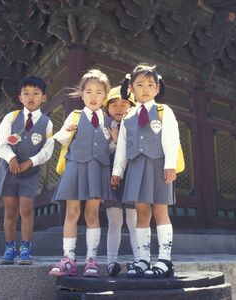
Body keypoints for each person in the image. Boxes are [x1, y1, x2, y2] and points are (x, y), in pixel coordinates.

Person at [111, 64, 180, 278]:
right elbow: (122, 147)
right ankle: (142, 259)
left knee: (160, 211)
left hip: (158, 165)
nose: (145, 89)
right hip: (136, 168)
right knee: (142, 212)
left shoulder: (163, 111)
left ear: (157, 88)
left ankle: (165, 259)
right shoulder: (128, 116)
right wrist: (117, 171)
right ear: (131, 88)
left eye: (151, 85)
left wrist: (171, 164)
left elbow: (171, 138)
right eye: (140, 84)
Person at [49, 69, 114, 277]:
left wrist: (113, 138)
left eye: (98, 92)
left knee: (92, 213)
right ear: (81, 93)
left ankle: (91, 259)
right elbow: (60, 138)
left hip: (98, 167)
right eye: (88, 92)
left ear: (105, 95)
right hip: (75, 166)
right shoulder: (74, 116)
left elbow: (111, 149)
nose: (93, 97)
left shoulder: (109, 121)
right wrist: (68, 131)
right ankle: (68, 258)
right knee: (72, 212)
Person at [0, 76, 54, 265]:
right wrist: (11, 158)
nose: (31, 97)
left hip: (30, 172)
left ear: (44, 97)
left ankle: (26, 248)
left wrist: (30, 162)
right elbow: (1, 145)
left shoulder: (47, 123)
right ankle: (9, 248)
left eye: (36, 93)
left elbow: (47, 151)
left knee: (26, 209)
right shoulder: (10, 118)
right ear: (20, 97)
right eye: (26, 93)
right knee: (10, 210)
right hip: (8, 170)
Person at [103, 86, 138, 276]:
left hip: (131, 177)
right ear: (107, 108)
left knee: (134, 221)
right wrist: (114, 142)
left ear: (131, 106)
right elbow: (101, 152)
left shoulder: (135, 125)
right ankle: (111, 261)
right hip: (112, 179)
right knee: (114, 221)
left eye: (124, 104)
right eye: (114, 104)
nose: (118, 108)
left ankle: (138, 260)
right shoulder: (104, 126)